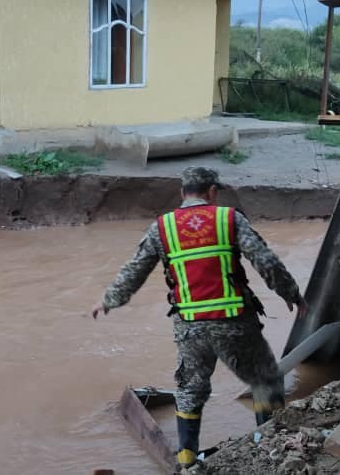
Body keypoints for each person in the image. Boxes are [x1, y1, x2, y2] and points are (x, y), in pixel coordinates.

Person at [92, 166, 307, 470]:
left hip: (190, 327)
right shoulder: (228, 219)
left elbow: (135, 270)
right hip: (234, 322)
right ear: (212, 192)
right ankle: (270, 448)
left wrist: (109, 300)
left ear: (183, 193)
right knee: (265, 380)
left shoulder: (162, 227)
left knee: (190, 390)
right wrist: (292, 294)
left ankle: (186, 459)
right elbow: (266, 261)